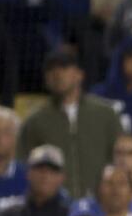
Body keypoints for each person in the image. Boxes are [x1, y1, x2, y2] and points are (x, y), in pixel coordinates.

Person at [19, 48, 123, 199]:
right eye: (51, 69)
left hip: (101, 204)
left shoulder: (106, 114)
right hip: (54, 208)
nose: (57, 74)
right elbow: (24, 166)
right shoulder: (35, 121)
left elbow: (121, 158)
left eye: (64, 67)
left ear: (79, 74)